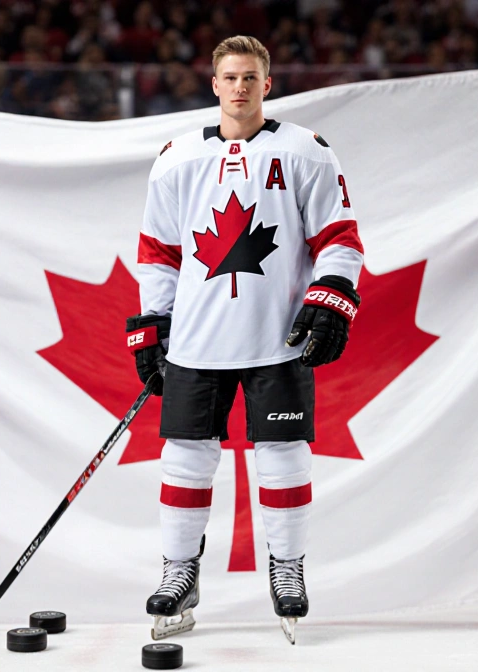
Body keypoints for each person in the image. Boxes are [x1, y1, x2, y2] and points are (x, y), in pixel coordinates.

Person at [126, 35, 363, 645]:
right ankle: (179, 572)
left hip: (277, 337)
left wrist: (332, 296)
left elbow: (339, 236)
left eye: (250, 77)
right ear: (214, 85)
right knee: (185, 456)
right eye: (229, 77)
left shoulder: (306, 151)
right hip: (196, 340)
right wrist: (154, 323)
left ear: (267, 84)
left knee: (283, 454)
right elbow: (158, 252)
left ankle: (287, 568)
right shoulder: (176, 158)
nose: (239, 87)